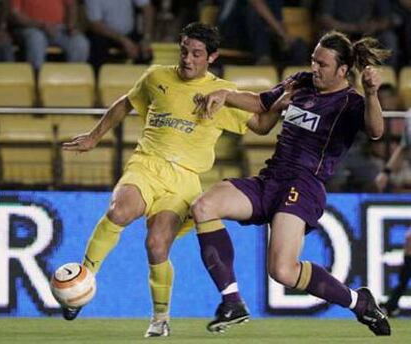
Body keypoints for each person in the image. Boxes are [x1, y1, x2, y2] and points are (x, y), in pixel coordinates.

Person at [60, 22, 280, 337]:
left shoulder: (222, 92)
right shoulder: (156, 77)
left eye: (196, 54)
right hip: (147, 165)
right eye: (184, 51)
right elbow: (125, 103)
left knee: (156, 244)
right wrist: (95, 137)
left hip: (185, 180)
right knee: (118, 212)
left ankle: (160, 319)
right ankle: (84, 278)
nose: (187, 59)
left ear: (212, 57)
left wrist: (280, 103)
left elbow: (260, 125)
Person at [191, 31, 392, 335]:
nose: (315, 68)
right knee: (204, 206)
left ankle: (359, 303)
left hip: (304, 185)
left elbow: (376, 130)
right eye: (313, 60)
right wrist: (224, 94)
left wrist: (372, 93)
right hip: (270, 178)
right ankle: (232, 301)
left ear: (342, 70)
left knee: (282, 271)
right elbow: (261, 103)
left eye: (322, 64)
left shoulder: (350, 103)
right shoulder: (301, 82)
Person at [217, 0, 309, 66]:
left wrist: (284, 39)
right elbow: (256, 4)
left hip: (263, 35)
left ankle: (293, 84)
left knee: (298, 46)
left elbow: (278, 22)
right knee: (254, 12)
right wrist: (283, 35)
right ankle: (263, 59)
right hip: (233, 34)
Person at [10, 0, 89, 71]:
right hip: (29, 27)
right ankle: (36, 78)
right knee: (37, 39)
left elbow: (71, 5)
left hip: (58, 28)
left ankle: (73, 80)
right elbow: (15, 14)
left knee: (79, 43)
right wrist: (41, 25)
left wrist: (71, 25)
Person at [318, 0, 399, 68]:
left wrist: (374, 26)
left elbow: (386, 19)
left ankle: (386, 77)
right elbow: (325, 19)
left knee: (389, 38)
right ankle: (328, 71)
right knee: (325, 36)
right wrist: (353, 28)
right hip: (341, 31)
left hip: (369, 33)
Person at [84, 0, 154, 72]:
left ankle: (139, 80)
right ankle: (99, 80)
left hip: (130, 34)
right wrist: (124, 41)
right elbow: (95, 25)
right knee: (96, 51)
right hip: (103, 36)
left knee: (145, 53)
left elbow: (147, 8)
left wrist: (146, 38)